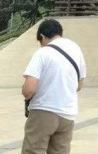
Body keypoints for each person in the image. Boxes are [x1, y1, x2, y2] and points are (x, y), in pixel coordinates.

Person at [21, 19, 86, 154]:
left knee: (33, 150)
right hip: (67, 114)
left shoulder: (43, 53)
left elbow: (28, 90)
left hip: (43, 111)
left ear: (42, 37)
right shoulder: (76, 49)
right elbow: (79, 85)